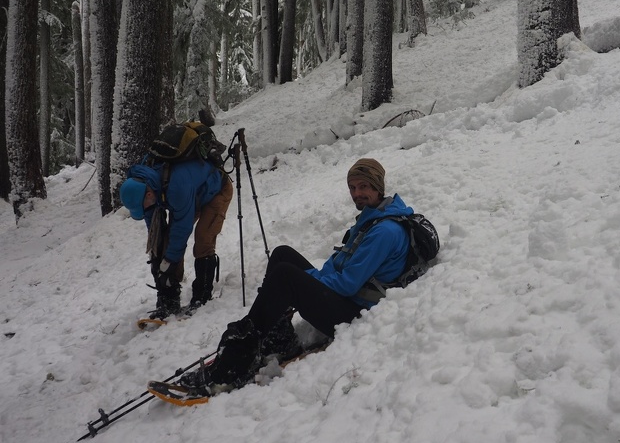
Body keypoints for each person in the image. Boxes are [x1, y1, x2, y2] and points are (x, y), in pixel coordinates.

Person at [179, 157, 413, 395]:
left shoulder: (383, 231)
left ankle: (233, 366)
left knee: (285, 275)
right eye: (352, 187)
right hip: (350, 298)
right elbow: (341, 266)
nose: (357, 193)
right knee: (282, 255)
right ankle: (279, 339)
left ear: (378, 186)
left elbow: (347, 284)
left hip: (355, 313)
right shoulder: (374, 216)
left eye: (363, 186)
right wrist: (311, 279)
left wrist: (307, 279)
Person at [119, 157, 234, 319]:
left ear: (150, 194)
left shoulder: (176, 187)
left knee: (203, 238)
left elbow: (181, 230)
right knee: (165, 243)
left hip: (216, 190)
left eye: (142, 207)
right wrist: (156, 259)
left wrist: (168, 264)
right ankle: (169, 298)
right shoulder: (145, 184)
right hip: (191, 194)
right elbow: (153, 225)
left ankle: (202, 295)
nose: (144, 210)